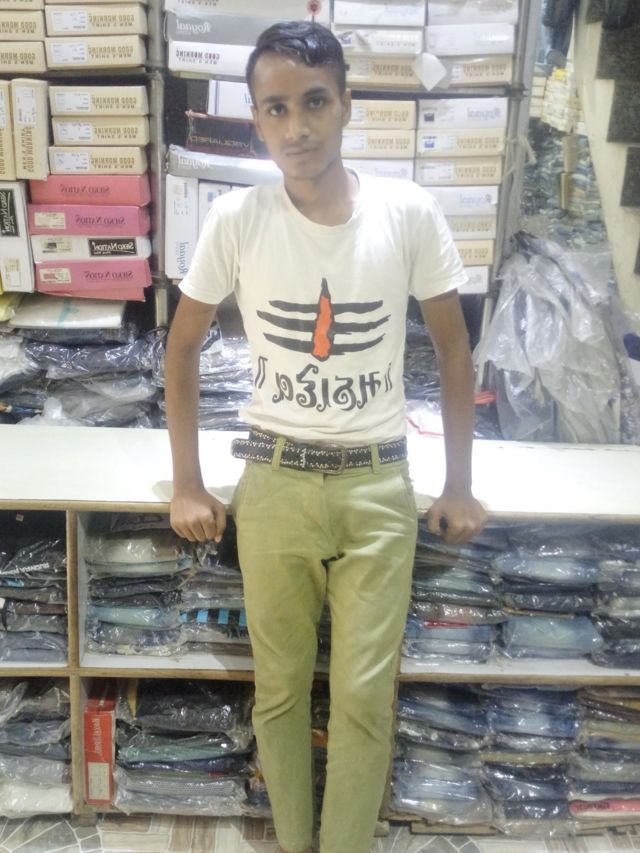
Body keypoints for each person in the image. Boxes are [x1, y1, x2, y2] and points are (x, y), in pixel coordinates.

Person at [165, 20, 487, 853]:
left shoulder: (407, 211)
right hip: (272, 484)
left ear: (347, 103)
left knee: (363, 700)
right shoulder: (236, 217)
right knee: (278, 693)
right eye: (275, 109)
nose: (297, 126)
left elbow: (454, 349)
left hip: (377, 487)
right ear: (255, 119)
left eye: (314, 102)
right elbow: (182, 347)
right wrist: (187, 482)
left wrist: (458, 483)